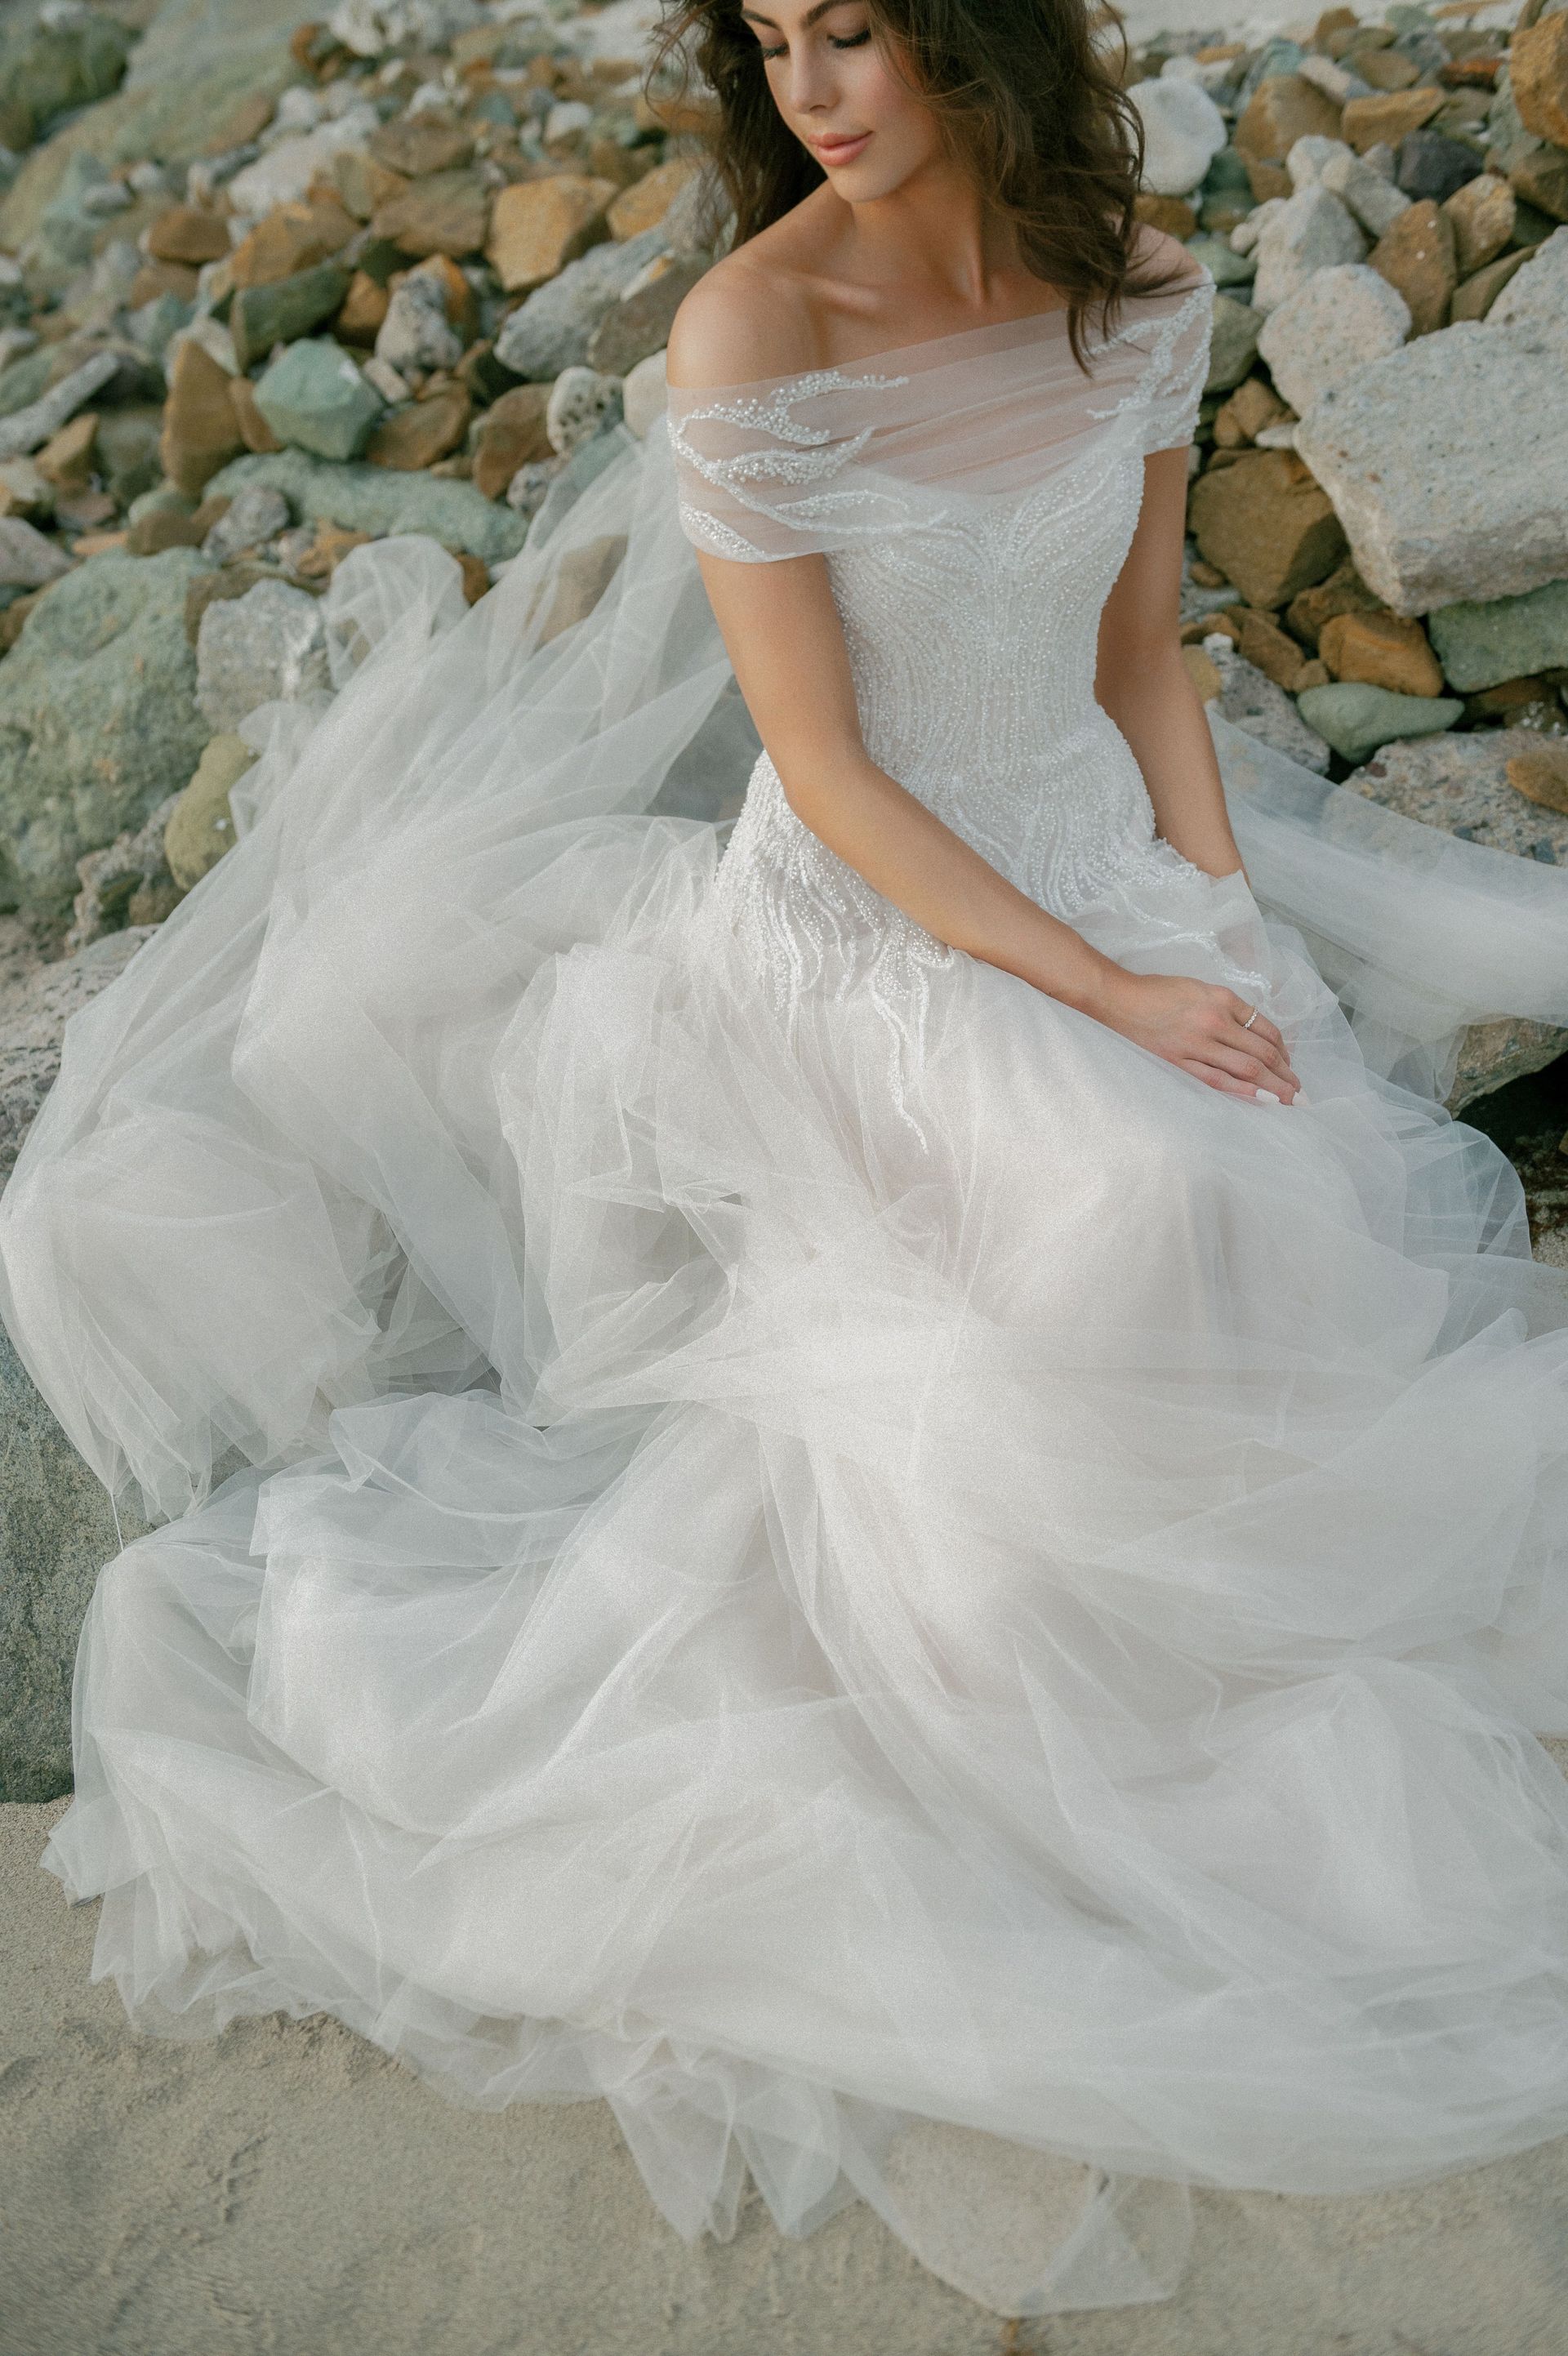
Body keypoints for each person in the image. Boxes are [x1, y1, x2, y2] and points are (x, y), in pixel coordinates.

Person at [3, 0, 1568, 2319]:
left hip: (1091, 853)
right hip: (866, 924)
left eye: (855, 32)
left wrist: (1214, 917)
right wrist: (1105, 995)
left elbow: (1143, 648)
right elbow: (825, 768)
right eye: (773, 41)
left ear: (971, 38)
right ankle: (1053, 1717)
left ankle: (1184, 1669)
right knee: (1120, 1206)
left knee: (1273, 1170)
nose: (812, 86)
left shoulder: (1136, 277)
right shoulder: (756, 328)